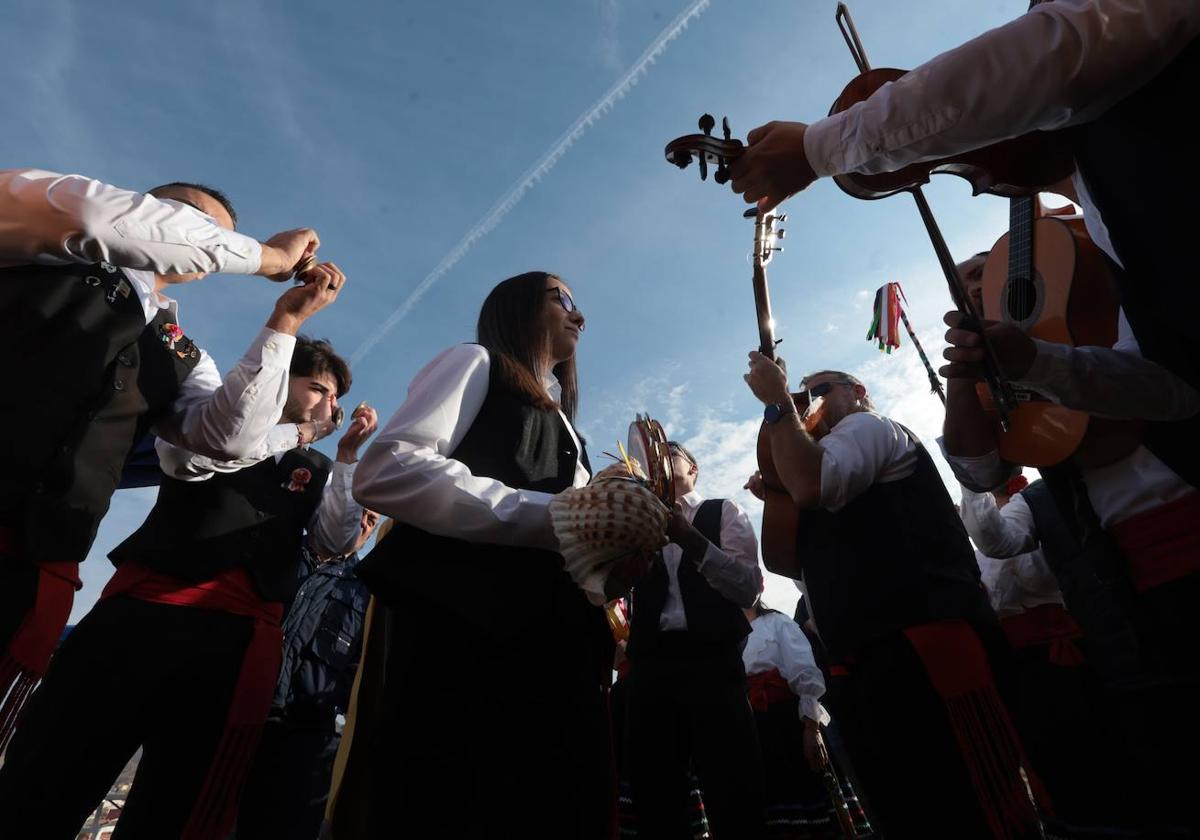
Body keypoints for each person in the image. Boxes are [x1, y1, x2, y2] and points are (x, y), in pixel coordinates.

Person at [0, 168, 341, 738]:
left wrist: (285, 322)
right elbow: (101, 220)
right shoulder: (45, 222)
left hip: (36, 559)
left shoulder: (183, 353)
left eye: (213, 233)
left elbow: (226, 440)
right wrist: (268, 256)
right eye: (190, 220)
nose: (199, 237)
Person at [0, 338, 374, 840]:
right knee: (53, 772)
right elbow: (204, 455)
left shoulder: (320, 471)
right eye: (321, 390)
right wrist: (300, 430)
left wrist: (346, 456)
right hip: (142, 620)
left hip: (235, 644)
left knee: (178, 806)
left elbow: (332, 540)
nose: (333, 408)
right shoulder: (209, 417)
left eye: (335, 399)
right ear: (282, 380)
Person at [727, 0, 1200, 388]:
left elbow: (1058, 56)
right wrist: (1035, 364)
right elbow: (1172, 382)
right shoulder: (1106, 215)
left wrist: (821, 147)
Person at [349, 272, 612, 838]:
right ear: (517, 308)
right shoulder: (476, 362)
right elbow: (388, 468)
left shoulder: (571, 428)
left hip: (557, 648)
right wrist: (555, 516)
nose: (578, 314)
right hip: (466, 636)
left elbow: (576, 539)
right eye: (561, 297)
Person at [744, 358, 1042, 838]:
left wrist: (779, 405)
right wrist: (777, 497)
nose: (811, 404)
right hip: (870, 661)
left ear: (857, 389)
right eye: (804, 397)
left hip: (924, 646)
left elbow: (810, 483)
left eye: (822, 390)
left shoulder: (870, 426)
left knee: (964, 805)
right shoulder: (828, 463)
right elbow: (794, 567)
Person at [625, 441, 765, 839]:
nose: (660, 459)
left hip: (713, 663)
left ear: (694, 468)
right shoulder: (637, 523)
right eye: (654, 456)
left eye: (671, 453)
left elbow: (748, 589)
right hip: (651, 667)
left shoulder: (722, 511)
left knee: (734, 788)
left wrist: (690, 538)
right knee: (655, 794)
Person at [233, 508, 381, 840]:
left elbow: (360, 671)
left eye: (372, 520)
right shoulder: (277, 554)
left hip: (305, 738)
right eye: (359, 512)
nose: (362, 524)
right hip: (235, 716)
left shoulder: (365, 592)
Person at [741, 598, 845, 839]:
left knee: (808, 801)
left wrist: (812, 728)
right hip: (755, 730)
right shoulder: (725, 634)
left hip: (788, 726)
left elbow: (806, 674)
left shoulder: (778, 622)